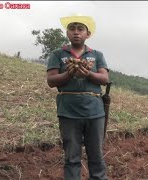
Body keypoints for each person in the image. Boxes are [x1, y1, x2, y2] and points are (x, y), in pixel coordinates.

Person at [46, 14, 109, 180]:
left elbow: (104, 79)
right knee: (72, 156)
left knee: (96, 154)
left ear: (87, 34)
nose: (76, 32)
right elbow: (51, 81)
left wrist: (88, 74)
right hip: (68, 112)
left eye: (80, 29)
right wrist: (68, 74)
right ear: (67, 33)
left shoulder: (96, 55)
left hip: (95, 112)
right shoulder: (58, 54)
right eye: (72, 29)